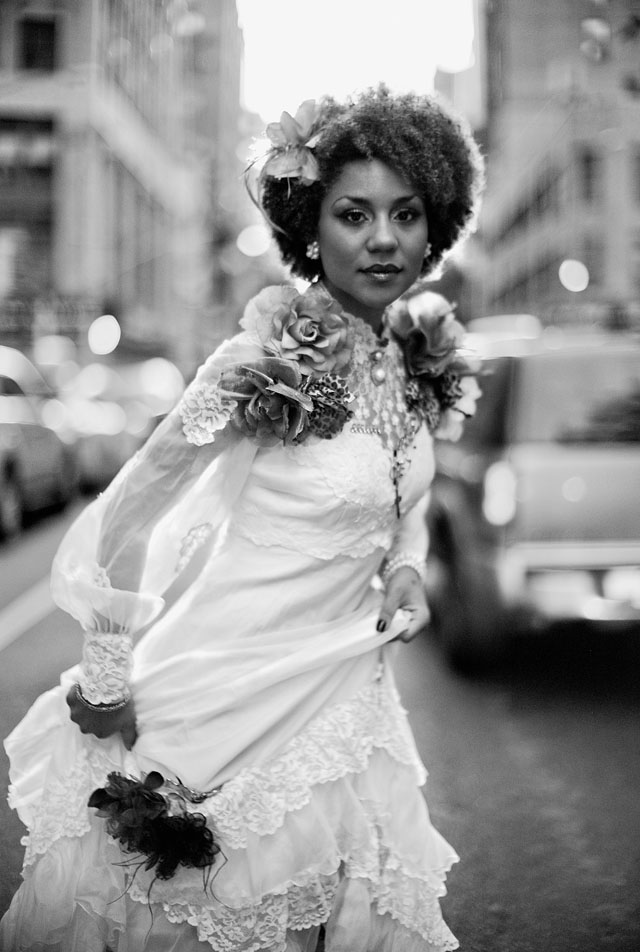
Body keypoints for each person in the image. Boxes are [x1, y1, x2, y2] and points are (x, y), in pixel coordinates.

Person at [1, 84, 483, 952]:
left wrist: (405, 567)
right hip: (221, 706)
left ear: (436, 225)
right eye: (353, 213)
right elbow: (126, 513)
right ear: (309, 228)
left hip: (345, 700)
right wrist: (108, 674)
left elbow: (399, 509)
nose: (383, 239)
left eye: (406, 214)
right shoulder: (256, 362)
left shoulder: (414, 364)